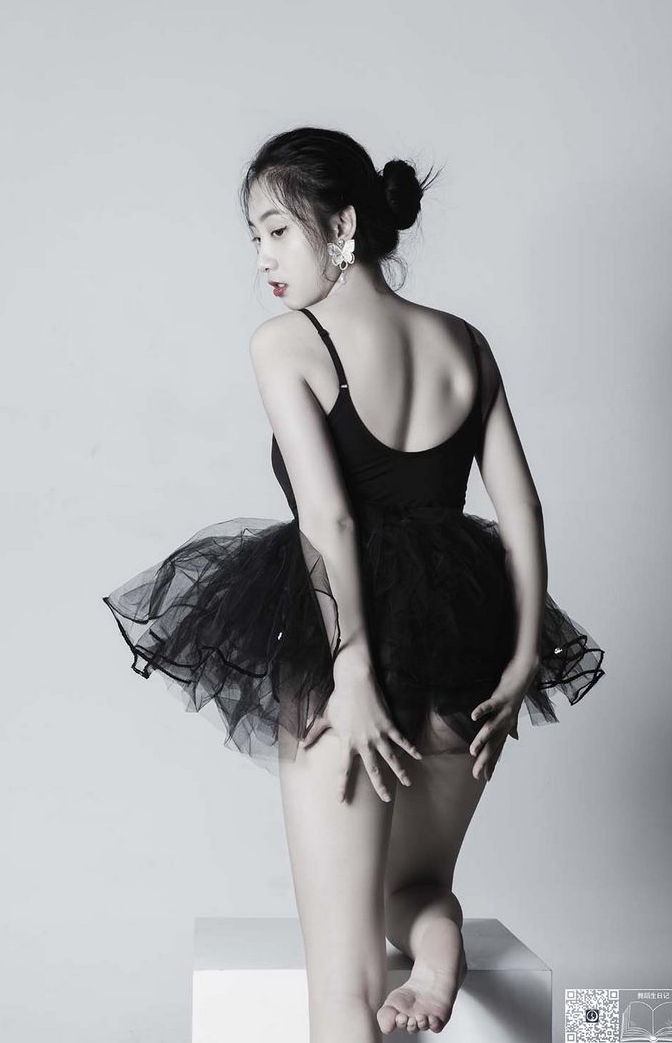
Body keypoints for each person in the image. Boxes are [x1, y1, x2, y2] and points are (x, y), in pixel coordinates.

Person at [102, 126, 605, 1040]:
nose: (262, 259)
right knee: (414, 888)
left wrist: (353, 667)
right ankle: (438, 957)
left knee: (342, 983)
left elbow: (328, 521)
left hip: (347, 648)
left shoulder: (286, 344)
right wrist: (522, 657)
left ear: (340, 226)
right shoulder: (465, 343)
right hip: (469, 644)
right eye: (254, 238)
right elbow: (522, 509)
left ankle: (425, 964)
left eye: (276, 232)